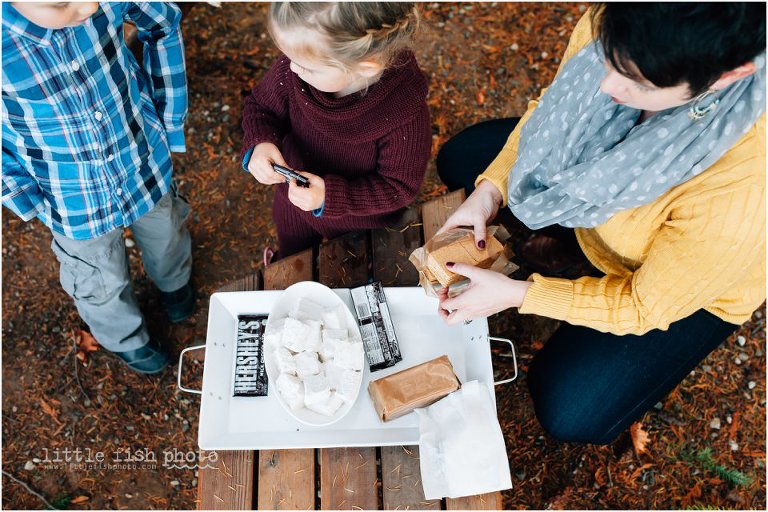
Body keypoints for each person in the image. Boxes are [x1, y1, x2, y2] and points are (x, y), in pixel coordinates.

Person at [435, 3, 765, 444]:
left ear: (726, 77)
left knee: (572, 411)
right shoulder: (625, 18)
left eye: (638, 79)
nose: (606, 83)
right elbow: (554, 109)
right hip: (592, 196)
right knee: (462, 160)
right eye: (608, 56)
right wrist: (490, 189)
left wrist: (521, 294)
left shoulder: (743, 186)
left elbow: (646, 305)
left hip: (676, 287)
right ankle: (566, 245)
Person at [2, 2, 195, 374]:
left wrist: (169, 119)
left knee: (166, 231)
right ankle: (125, 338)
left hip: (141, 160)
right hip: (67, 193)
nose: (90, 6)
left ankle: (175, 284)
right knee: (97, 277)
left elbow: (163, 24)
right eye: (61, 3)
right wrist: (21, 195)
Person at [241, 1, 431, 261]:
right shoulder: (296, 69)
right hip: (293, 205)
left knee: (350, 273)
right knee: (294, 257)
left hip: (359, 223)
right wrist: (260, 142)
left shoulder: (403, 117)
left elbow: (398, 187)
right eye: (290, 57)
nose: (292, 68)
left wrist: (330, 197)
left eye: (307, 66)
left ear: (366, 67)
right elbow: (262, 107)